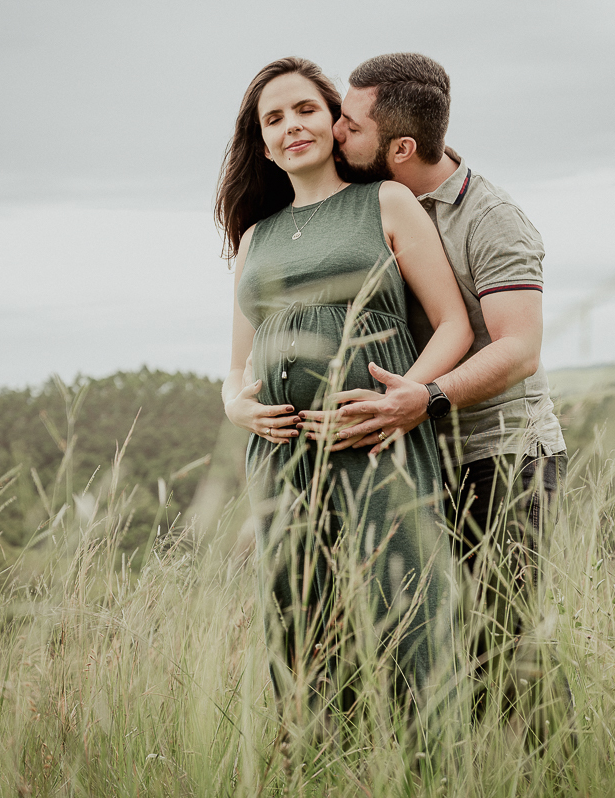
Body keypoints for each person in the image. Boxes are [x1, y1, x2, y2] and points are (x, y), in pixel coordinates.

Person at [300, 52, 569, 735]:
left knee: (501, 646)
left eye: (350, 125)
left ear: (402, 147)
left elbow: (518, 346)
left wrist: (428, 397)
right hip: (416, 455)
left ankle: (552, 776)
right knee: (416, 639)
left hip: (499, 455)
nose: (335, 132)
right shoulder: (364, 206)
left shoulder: (491, 219)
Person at [215, 57, 472, 738]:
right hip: (278, 457)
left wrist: (407, 397)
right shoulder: (254, 237)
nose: (291, 126)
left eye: (304, 110)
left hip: (376, 441)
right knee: (300, 625)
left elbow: (454, 324)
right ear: (261, 142)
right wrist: (238, 407)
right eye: (273, 119)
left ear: (334, 122)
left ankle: (431, 768)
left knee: (406, 608)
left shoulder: (384, 201)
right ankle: (323, 769)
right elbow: (234, 368)